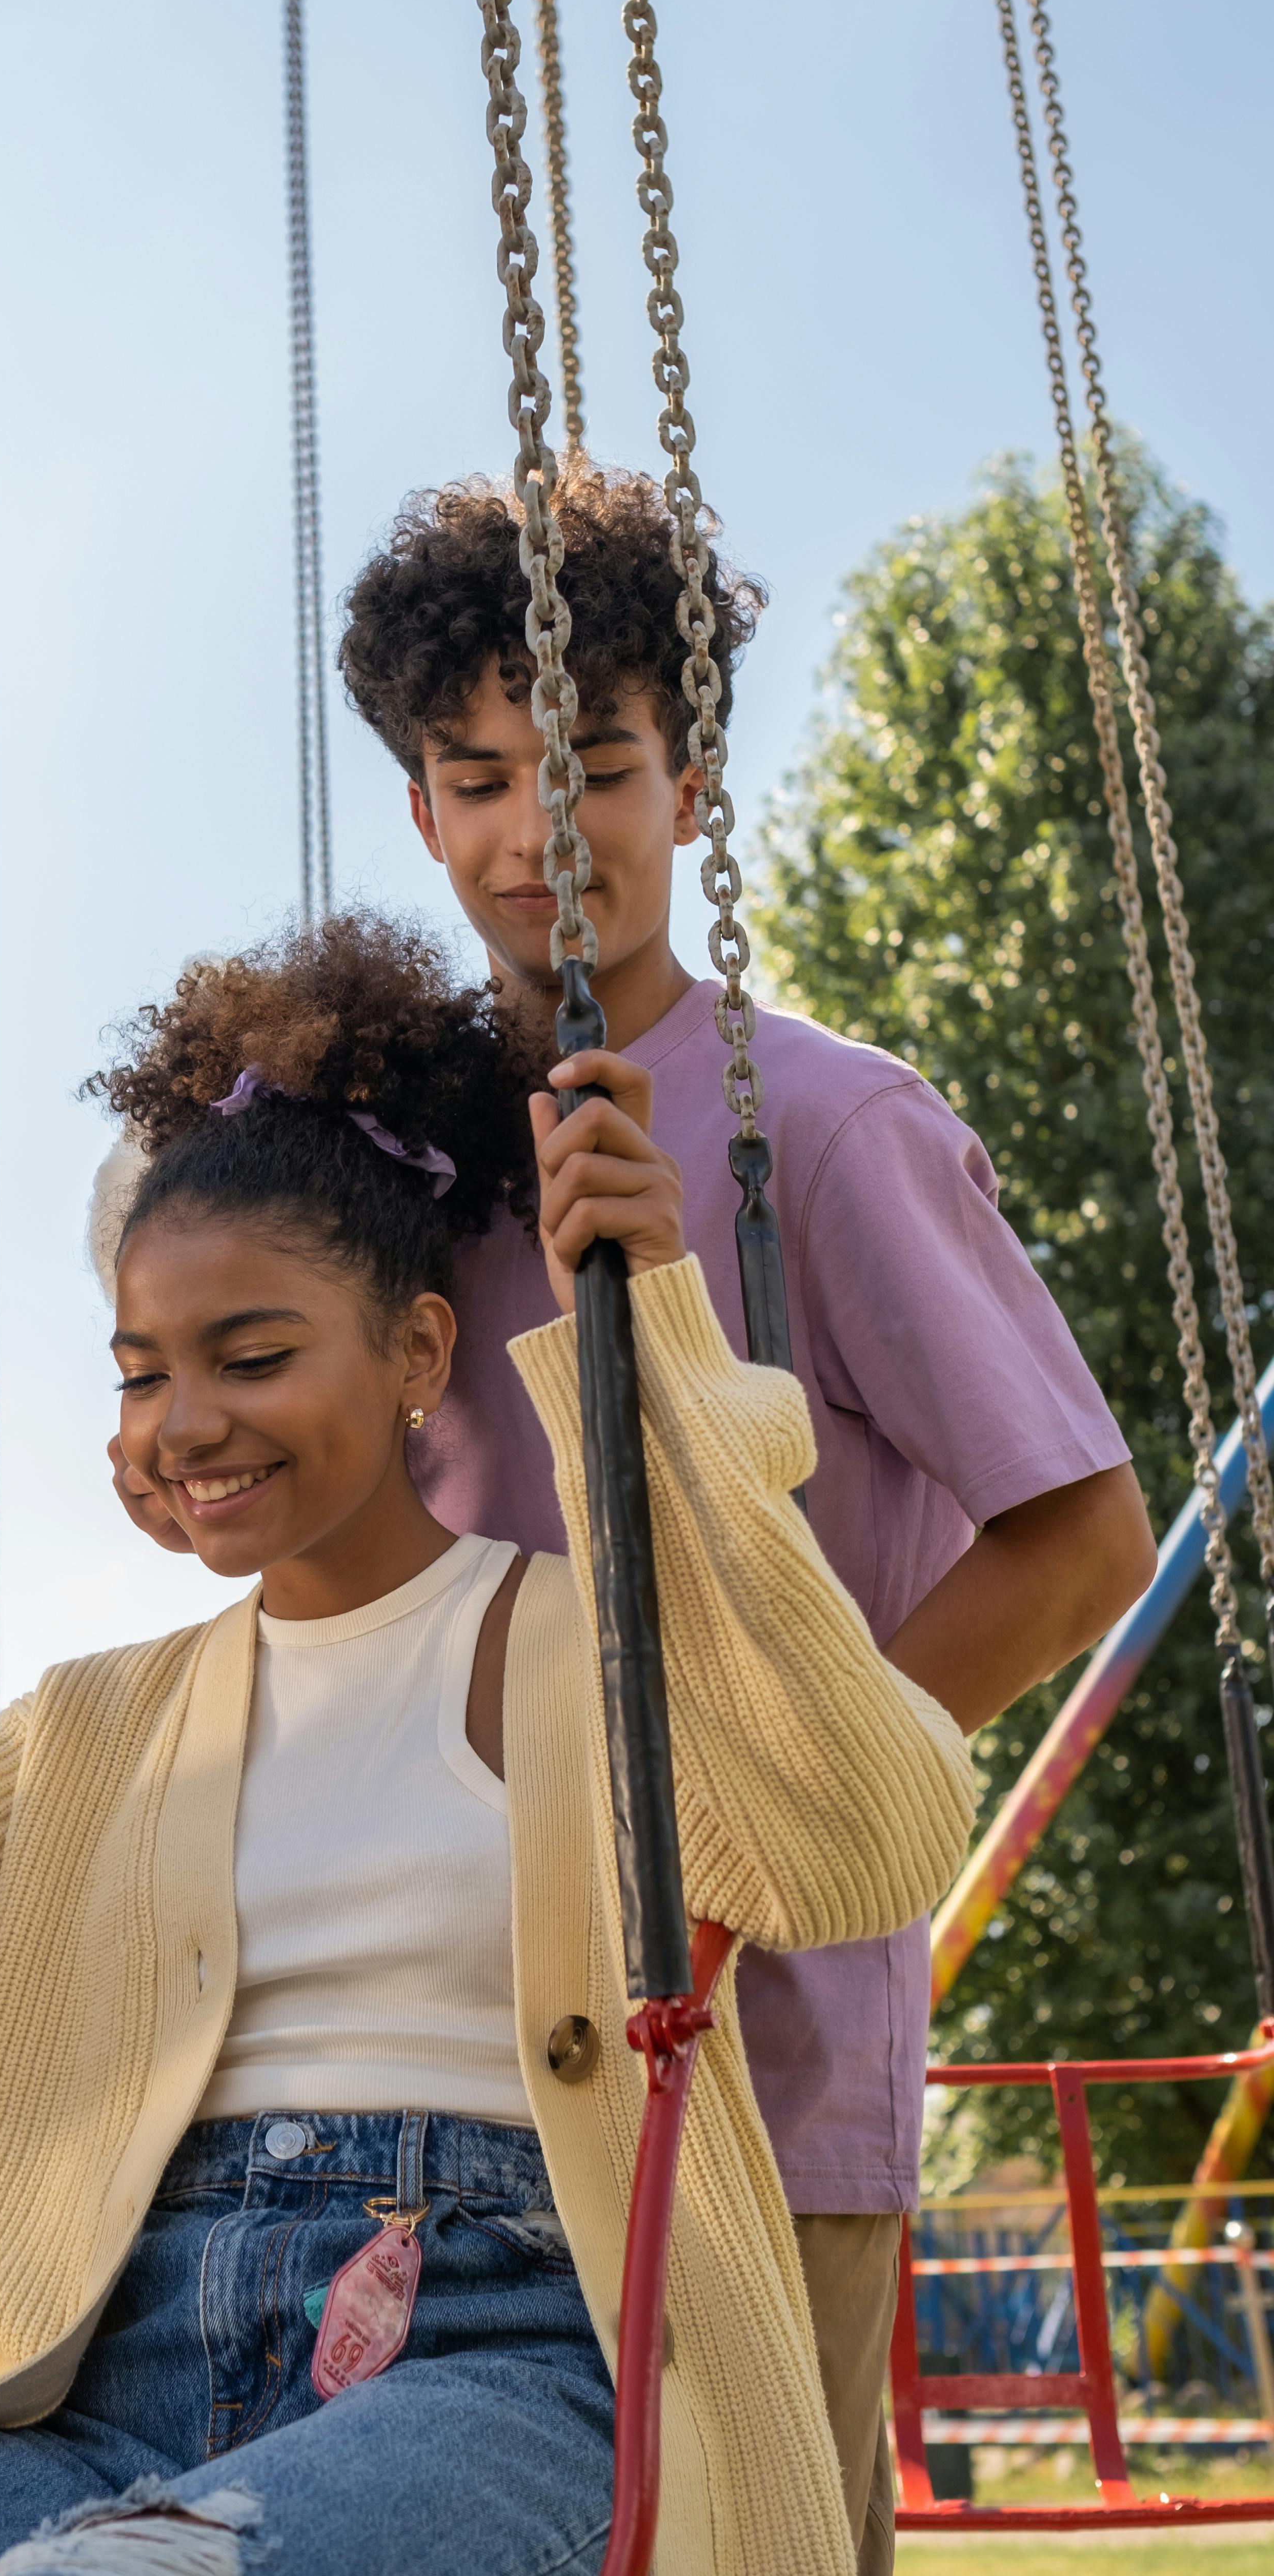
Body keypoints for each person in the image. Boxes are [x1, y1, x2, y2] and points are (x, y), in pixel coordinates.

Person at [0, 914, 973, 2576]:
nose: (184, 1421)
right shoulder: (95, 1729)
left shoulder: (599, 1643)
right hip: (108, 2380)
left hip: (514, 2358)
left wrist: (656, 1344)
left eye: (251, 1355)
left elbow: (853, 1834)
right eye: (144, 1372)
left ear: (420, 1351)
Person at [109, 466, 1159, 2572]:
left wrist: (780, 1810)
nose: (539, 831)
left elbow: (1085, 1534)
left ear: (685, 779)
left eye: (592, 763)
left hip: (750, 2034)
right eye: (475, 776)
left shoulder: (826, 1133)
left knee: (754, 2536)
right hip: (451, 2057)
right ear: (419, 812)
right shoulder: (396, 1166)